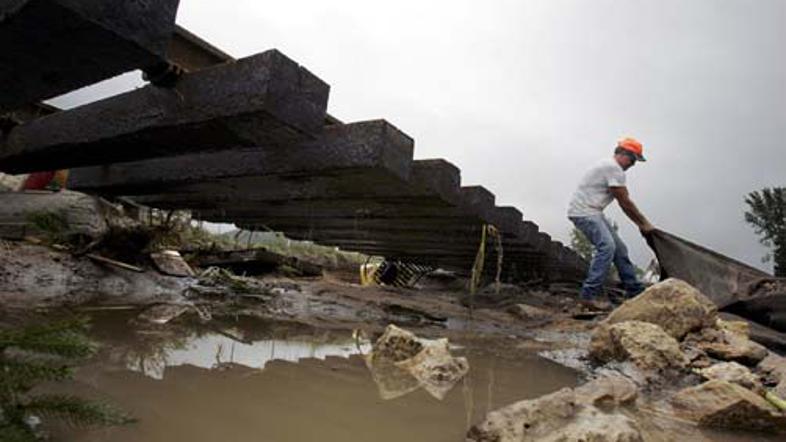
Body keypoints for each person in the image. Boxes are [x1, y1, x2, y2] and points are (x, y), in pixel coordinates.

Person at [567, 137, 655, 301]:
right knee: (607, 247)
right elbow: (625, 202)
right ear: (623, 154)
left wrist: (642, 223)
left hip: (593, 212)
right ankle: (588, 297)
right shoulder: (613, 169)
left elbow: (625, 202)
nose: (633, 165)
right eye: (633, 159)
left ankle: (635, 291)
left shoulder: (610, 167)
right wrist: (644, 224)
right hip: (584, 213)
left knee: (619, 249)